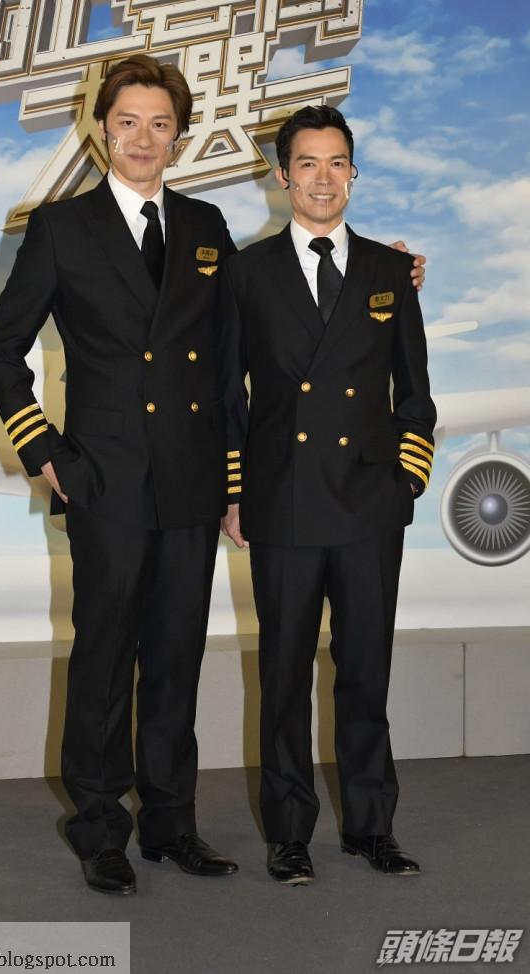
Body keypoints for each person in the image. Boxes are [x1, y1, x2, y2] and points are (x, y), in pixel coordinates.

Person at [0, 53, 426, 896]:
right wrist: (48, 454)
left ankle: (170, 823)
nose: (143, 138)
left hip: (189, 482)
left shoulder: (205, 226)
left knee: (176, 657)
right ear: (101, 129)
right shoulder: (61, 228)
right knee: (104, 661)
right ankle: (100, 827)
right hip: (107, 480)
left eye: (161, 124)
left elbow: (231, 359)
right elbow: (4, 353)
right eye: (128, 122)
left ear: (180, 136)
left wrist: (391, 270)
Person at [219, 105, 436, 885]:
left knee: (365, 674)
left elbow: (415, 390)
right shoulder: (247, 273)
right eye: (306, 163)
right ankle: (289, 834)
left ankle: (373, 827)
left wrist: (407, 479)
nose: (322, 177)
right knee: (282, 678)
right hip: (283, 503)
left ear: (354, 174)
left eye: (336, 162)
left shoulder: (389, 271)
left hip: (369, 504)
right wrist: (235, 491)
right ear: (282, 176)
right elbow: (230, 395)